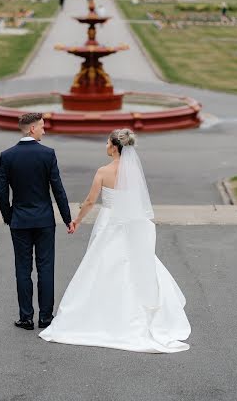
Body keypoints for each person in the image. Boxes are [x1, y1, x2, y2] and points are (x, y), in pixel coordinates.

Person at [39, 129, 191, 353]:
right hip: (130, 222)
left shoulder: (103, 171)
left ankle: (99, 313)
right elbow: (139, 201)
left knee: (102, 265)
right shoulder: (133, 173)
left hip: (109, 221)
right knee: (133, 262)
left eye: (107, 143)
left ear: (114, 146)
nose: (105, 146)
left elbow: (91, 201)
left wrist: (77, 221)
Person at [0, 113, 75, 331]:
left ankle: (26, 318)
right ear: (32, 129)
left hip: (19, 221)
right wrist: (67, 218)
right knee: (45, 267)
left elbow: (1, 191)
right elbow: (57, 189)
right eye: (41, 126)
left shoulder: (7, 156)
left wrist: (8, 216)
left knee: (22, 269)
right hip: (44, 221)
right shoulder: (47, 154)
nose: (44, 130)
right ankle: (46, 318)